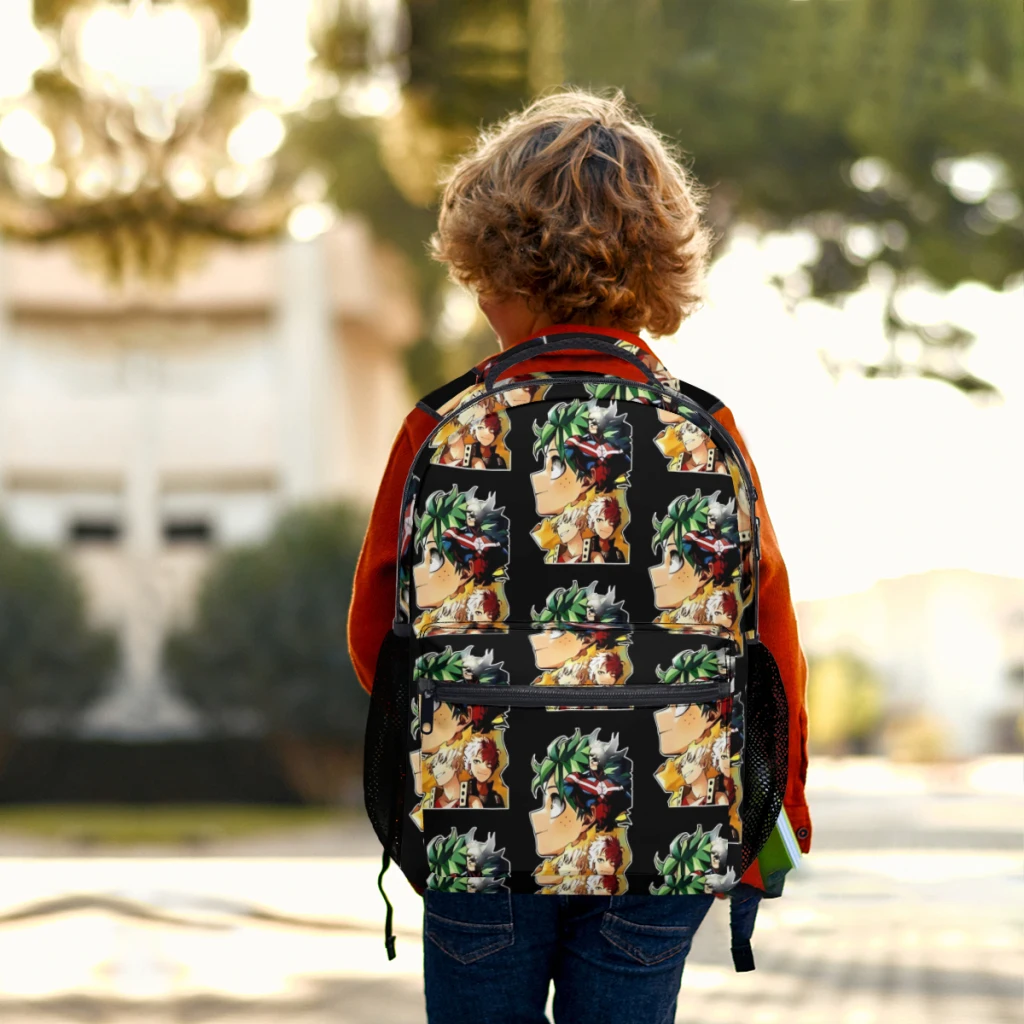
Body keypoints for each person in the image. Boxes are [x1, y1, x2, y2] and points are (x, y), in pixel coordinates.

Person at [348, 88, 810, 1024]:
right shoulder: (706, 429)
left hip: (479, 833)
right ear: (659, 272)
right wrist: (777, 813)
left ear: (490, 270)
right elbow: (769, 641)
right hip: (664, 836)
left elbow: (374, 638)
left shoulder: (441, 428)